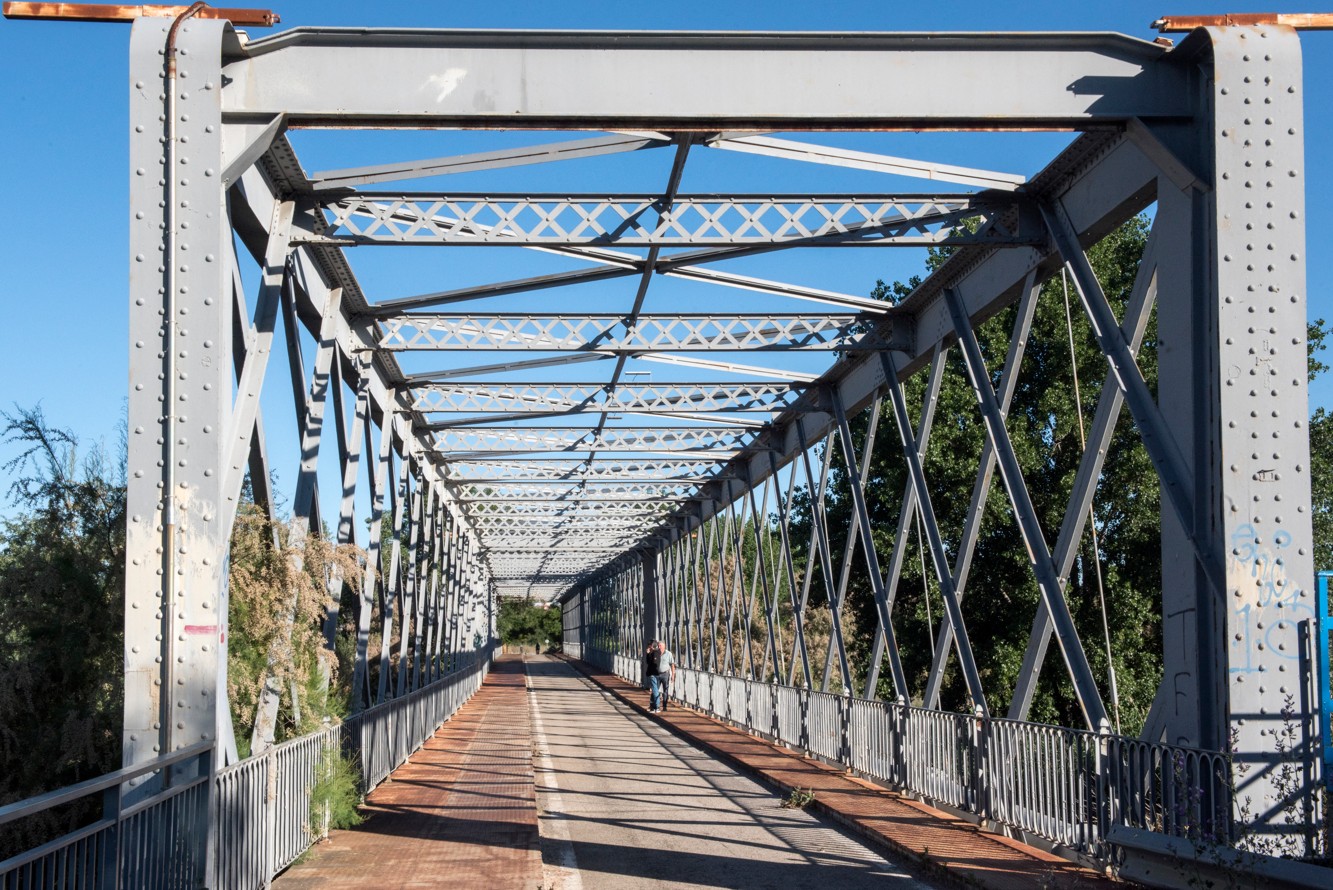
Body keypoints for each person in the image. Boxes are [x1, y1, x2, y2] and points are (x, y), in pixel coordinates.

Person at [645, 639, 675, 713]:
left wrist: (673, 675)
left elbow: (672, 665)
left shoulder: (669, 654)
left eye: (660, 646)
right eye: (658, 645)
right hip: (657, 674)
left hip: (665, 674)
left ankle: (664, 706)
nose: (658, 647)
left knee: (665, 690)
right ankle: (653, 706)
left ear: (664, 646)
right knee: (655, 690)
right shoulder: (655, 652)